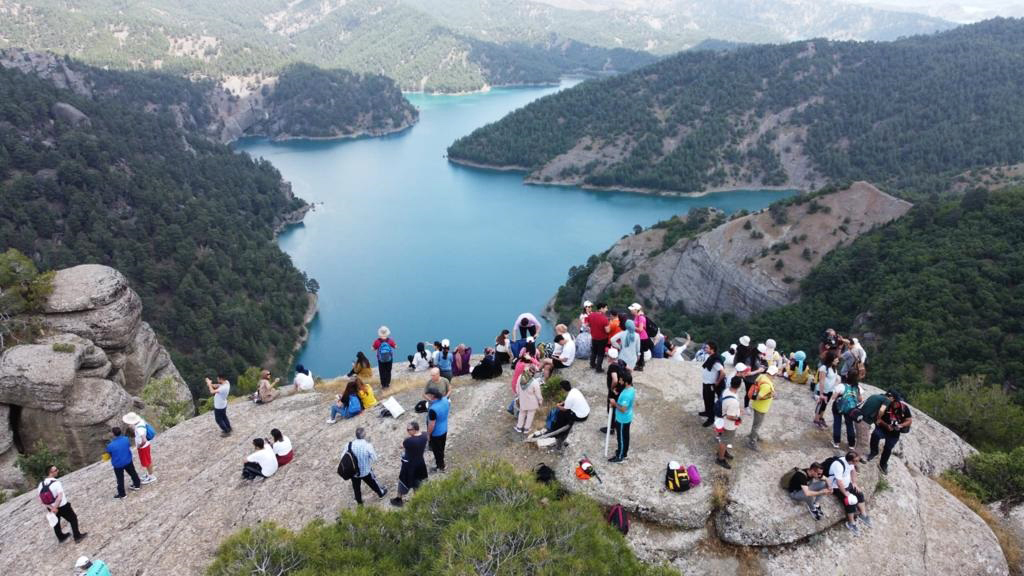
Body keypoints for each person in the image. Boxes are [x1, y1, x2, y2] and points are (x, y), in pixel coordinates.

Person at [866, 391, 913, 474]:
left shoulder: (904, 408)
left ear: (896, 400)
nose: (890, 401)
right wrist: (886, 425)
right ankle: (874, 452)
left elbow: (909, 420)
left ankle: (883, 464)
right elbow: (878, 419)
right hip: (883, 427)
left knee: (888, 448)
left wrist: (900, 425)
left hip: (895, 432)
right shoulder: (884, 406)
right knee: (875, 435)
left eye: (892, 400)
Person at [39, 465, 86, 543]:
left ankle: (61, 537)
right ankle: (77, 536)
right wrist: (55, 507)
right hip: (63, 506)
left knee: (56, 522)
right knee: (73, 519)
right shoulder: (56, 482)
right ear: (50, 473)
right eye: (56, 470)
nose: (58, 471)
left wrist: (52, 508)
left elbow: (40, 500)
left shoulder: (41, 484)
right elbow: (60, 497)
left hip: (51, 507)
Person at [829, 451, 871, 533]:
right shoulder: (839, 466)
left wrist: (854, 483)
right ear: (852, 461)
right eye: (857, 460)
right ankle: (851, 523)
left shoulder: (851, 463)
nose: (858, 462)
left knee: (859, 494)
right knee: (850, 502)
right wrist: (845, 493)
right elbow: (839, 482)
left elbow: (853, 471)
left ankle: (863, 515)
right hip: (837, 488)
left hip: (847, 484)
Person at [391, 421, 428, 507]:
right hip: (420, 463)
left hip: (409, 465)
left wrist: (407, 439)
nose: (407, 431)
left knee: (402, 481)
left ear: (414, 430)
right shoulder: (425, 435)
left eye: (409, 430)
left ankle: (398, 499)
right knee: (417, 482)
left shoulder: (409, 441)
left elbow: (402, 445)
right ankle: (417, 500)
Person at [348, 427, 388, 504]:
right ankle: (381, 494)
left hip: (353, 472)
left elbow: (344, 455)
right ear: (364, 435)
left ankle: (359, 502)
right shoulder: (367, 445)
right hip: (365, 470)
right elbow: (374, 458)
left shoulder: (349, 445)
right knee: (372, 482)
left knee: (356, 487)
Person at [747, 365, 778, 451]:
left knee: (756, 423)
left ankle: (753, 435)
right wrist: (771, 395)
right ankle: (752, 442)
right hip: (761, 408)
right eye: (775, 374)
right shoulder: (767, 386)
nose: (776, 376)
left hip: (756, 405)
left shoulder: (762, 376)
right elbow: (759, 397)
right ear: (773, 374)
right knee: (757, 425)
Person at [715, 375, 743, 469]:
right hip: (728, 424)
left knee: (724, 440)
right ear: (739, 386)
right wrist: (738, 418)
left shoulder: (726, 390)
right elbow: (730, 416)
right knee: (724, 441)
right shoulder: (733, 402)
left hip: (722, 420)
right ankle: (720, 459)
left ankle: (723, 452)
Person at [106, 427, 141, 498]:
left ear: (113, 434)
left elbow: (110, 454)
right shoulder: (126, 439)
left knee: (120, 479)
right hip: (128, 460)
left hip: (118, 464)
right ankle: (137, 485)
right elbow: (128, 446)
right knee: (133, 473)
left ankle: (122, 494)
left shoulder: (110, 445)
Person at [608, 371, 635, 463]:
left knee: (621, 438)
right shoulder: (631, 389)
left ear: (626, 382)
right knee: (625, 436)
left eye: (621, 380)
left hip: (622, 419)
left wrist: (614, 404)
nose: (619, 381)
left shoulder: (627, 395)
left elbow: (623, 409)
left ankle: (620, 456)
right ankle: (624, 452)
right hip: (627, 418)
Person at [122, 412, 156, 484]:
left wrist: (140, 445)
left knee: (147, 462)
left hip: (144, 447)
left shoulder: (140, 429)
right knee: (147, 460)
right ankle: (149, 474)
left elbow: (144, 439)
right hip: (145, 446)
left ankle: (151, 476)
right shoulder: (140, 421)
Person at [831, 373, 861, 450]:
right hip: (850, 409)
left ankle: (836, 443)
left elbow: (833, 398)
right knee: (850, 425)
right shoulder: (857, 387)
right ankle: (851, 444)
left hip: (838, 407)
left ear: (847, 376)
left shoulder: (842, 386)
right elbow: (860, 399)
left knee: (837, 423)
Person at [700, 342, 726, 427]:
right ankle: (707, 412)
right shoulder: (711, 356)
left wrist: (717, 382)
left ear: (712, 349)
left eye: (707, 348)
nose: (705, 349)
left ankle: (711, 419)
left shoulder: (716, 360)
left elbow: (723, 373)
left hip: (710, 384)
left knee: (710, 401)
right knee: (706, 398)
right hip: (706, 383)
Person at [602, 347, 628, 434]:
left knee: (611, 408)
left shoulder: (612, 366)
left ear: (609, 357)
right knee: (618, 406)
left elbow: (615, 379)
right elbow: (629, 370)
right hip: (622, 389)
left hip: (615, 391)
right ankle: (617, 424)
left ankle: (611, 428)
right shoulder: (621, 362)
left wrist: (612, 388)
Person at [425, 388, 450, 472]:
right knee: (441, 448)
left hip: (436, 433)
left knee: (437, 451)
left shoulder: (433, 409)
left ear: (432, 396)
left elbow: (432, 424)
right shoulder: (445, 400)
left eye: (429, 395)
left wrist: (428, 434)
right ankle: (441, 464)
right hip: (444, 428)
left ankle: (440, 467)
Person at [813, 353, 840, 429]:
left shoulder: (834, 368)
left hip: (829, 390)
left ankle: (821, 418)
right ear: (831, 359)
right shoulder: (824, 368)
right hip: (822, 390)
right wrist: (821, 394)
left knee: (825, 404)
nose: (838, 361)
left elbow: (834, 378)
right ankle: (816, 419)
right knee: (820, 404)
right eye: (836, 359)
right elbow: (822, 381)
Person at [515, 365, 545, 433]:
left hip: (522, 400)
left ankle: (519, 427)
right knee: (530, 415)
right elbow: (538, 395)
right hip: (532, 402)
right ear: (534, 373)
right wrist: (540, 401)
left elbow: (517, 389)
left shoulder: (520, 377)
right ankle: (526, 429)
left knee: (522, 413)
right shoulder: (535, 382)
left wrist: (520, 396)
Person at [585, 302, 610, 372]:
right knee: (601, 354)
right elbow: (607, 330)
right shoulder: (604, 319)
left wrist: (592, 327)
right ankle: (598, 368)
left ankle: (592, 364)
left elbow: (586, 324)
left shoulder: (591, 315)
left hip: (594, 337)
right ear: (601, 308)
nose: (607, 309)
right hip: (602, 338)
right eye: (606, 308)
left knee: (594, 351)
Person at [628, 303, 651, 371]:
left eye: (632, 309)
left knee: (640, 352)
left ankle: (640, 366)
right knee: (639, 351)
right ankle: (640, 364)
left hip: (642, 338)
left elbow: (640, 329)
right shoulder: (636, 316)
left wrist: (632, 327)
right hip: (639, 337)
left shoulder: (641, 317)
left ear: (636, 310)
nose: (631, 311)